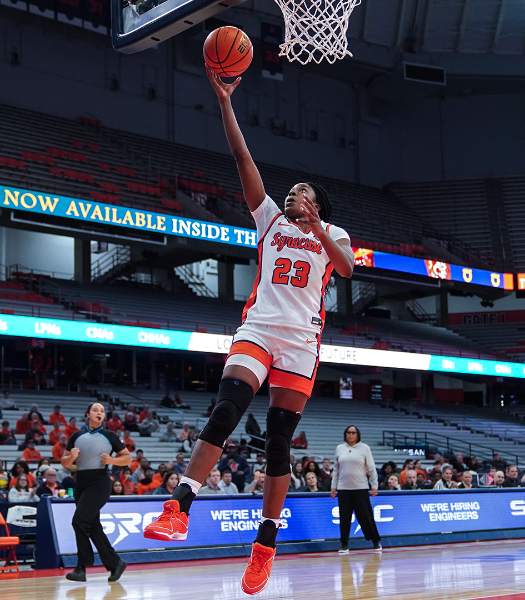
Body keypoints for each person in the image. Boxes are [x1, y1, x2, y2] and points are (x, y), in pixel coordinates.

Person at [144, 65, 353, 597]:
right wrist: (225, 101)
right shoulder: (271, 221)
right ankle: (178, 506)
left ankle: (264, 545)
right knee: (227, 408)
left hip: (301, 343)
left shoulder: (333, 233)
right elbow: (242, 158)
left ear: (318, 203)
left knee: (279, 443)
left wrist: (319, 227)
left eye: (302, 190)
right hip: (259, 329)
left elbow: (347, 269)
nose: (292, 193)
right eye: (292, 190)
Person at [60, 402, 130, 583]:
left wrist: (112, 460)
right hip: (81, 483)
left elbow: (127, 458)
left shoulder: (110, 436)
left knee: (79, 521)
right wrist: (72, 457)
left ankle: (81, 568)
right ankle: (115, 563)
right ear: (88, 414)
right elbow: (64, 463)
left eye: (102, 411)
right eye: (95, 410)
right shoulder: (76, 436)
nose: (99, 413)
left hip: (100, 482)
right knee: (92, 526)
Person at [331, 425, 381, 554]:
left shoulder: (364, 448)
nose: (350, 434)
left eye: (353, 432)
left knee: (366, 516)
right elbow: (336, 469)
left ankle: (376, 542)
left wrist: (374, 485)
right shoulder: (339, 448)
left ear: (357, 435)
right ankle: (344, 545)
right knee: (344, 518)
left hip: (360, 488)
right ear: (345, 434)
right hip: (343, 488)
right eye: (348, 432)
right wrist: (333, 486)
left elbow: (371, 468)